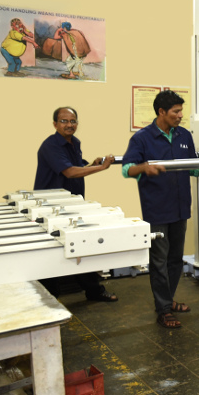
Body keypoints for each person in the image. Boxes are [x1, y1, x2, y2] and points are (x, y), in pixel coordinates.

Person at [122, 90, 199, 329]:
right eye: (176, 112)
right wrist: (144, 168)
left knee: (175, 260)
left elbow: (193, 169)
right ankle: (164, 310)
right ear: (161, 112)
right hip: (156, 210)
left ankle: (167, 301)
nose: (180, 116)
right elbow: (126, 169)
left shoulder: (184, 136)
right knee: (158, 261)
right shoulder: (142, 139)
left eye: (181, 111)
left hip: (180, 209)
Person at [35, 106, 118, 301]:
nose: (69, 125)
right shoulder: (51, 146)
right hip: (51, 207)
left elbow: (76, 168)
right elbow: (69, 172)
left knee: (82, 246)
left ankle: (93, 291)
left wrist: (92, 164)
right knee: (51, 250)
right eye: (64, 121)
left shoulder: (75, 143)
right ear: (55, 124)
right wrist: (100, 168)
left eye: (73, 121)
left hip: (72, 205)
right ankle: (50, 298)